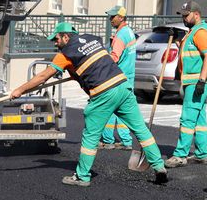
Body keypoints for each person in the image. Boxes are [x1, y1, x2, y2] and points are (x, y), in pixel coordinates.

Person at [10, 22, 167, 187]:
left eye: (56, 39)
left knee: (90, 136)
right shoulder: (93, 39)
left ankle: (82, 176)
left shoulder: (65, 54)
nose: (55, 43)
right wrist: (77, 72)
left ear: (65, 36)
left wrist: (20, 90)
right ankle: (159, 166)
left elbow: (42, 77)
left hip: (104, 92)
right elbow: (95, 62)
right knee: (140, 129)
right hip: (122, 86)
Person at [165, 1, 207, 168]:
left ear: (196, 14)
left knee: (187, 119)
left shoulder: (200, 32)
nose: (184, 18)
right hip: (194, 82)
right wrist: (177, 42)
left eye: (186, 15)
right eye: (182, 15)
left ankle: (180, 155)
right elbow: (190, 52)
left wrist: (202, 81)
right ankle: (201, 154)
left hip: (197, 82)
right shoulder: (192, 32)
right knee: (199, 119)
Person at [100, 5, 136, 150]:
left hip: (118, 78)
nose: (110, 19)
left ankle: (108, 140)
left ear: (121, 17)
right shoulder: (128, 32)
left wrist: (101, 63)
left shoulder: (121, 36)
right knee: (123, 109)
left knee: (109, 107)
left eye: (113, 17)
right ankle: (126, 141)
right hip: (128, 76)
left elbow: (114, 57)